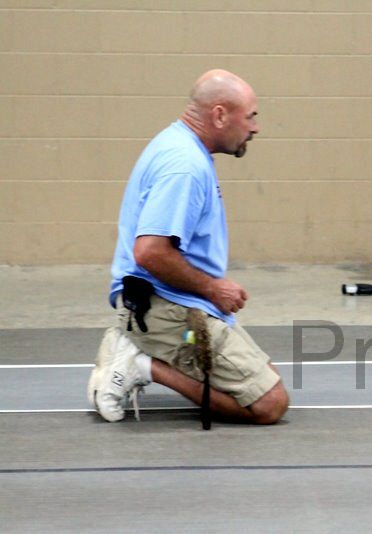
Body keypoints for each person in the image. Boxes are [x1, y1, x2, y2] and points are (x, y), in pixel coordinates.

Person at [87, 69, 289, 425]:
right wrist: (213, 287)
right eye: (251, 116)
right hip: (167, 311)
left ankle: (141, 351)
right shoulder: (185, 166)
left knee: (264, 375)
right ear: (220, 115)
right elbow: (149, 252)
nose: (255, 128)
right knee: (269, 404)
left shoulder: (178, 144)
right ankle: (140, 363)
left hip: (178, 303)